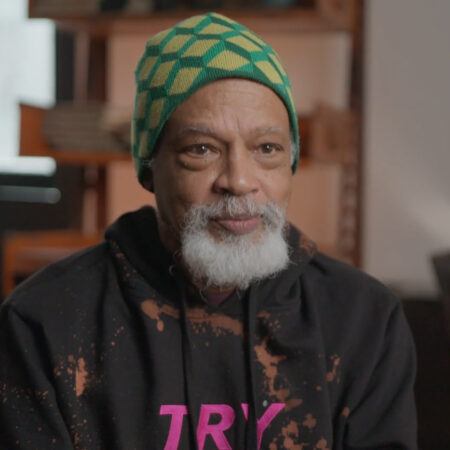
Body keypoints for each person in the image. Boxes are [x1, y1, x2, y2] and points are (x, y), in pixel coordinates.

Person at [0, 12, 417, 450]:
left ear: (290, 163)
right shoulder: (46, 324)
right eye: (201, 149)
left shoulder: (362, 321)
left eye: (267, 148)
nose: (238, 180)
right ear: (149, 167)